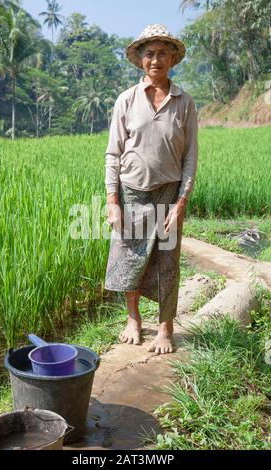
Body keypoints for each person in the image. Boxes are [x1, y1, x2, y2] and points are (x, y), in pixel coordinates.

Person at [104, 24, 198, 354]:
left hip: (169, 193)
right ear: (141, 60)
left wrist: (181, 202)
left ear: (172, 58)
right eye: (149, 54)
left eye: (161, 53)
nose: (155, 60)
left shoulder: (184, 102)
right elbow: (113, 153)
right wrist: (112, 200)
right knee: (129, 257)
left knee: (167, 261)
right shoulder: (126, 100)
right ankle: (133, 320)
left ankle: (164, 329)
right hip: (131, 191)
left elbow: (190, 157)